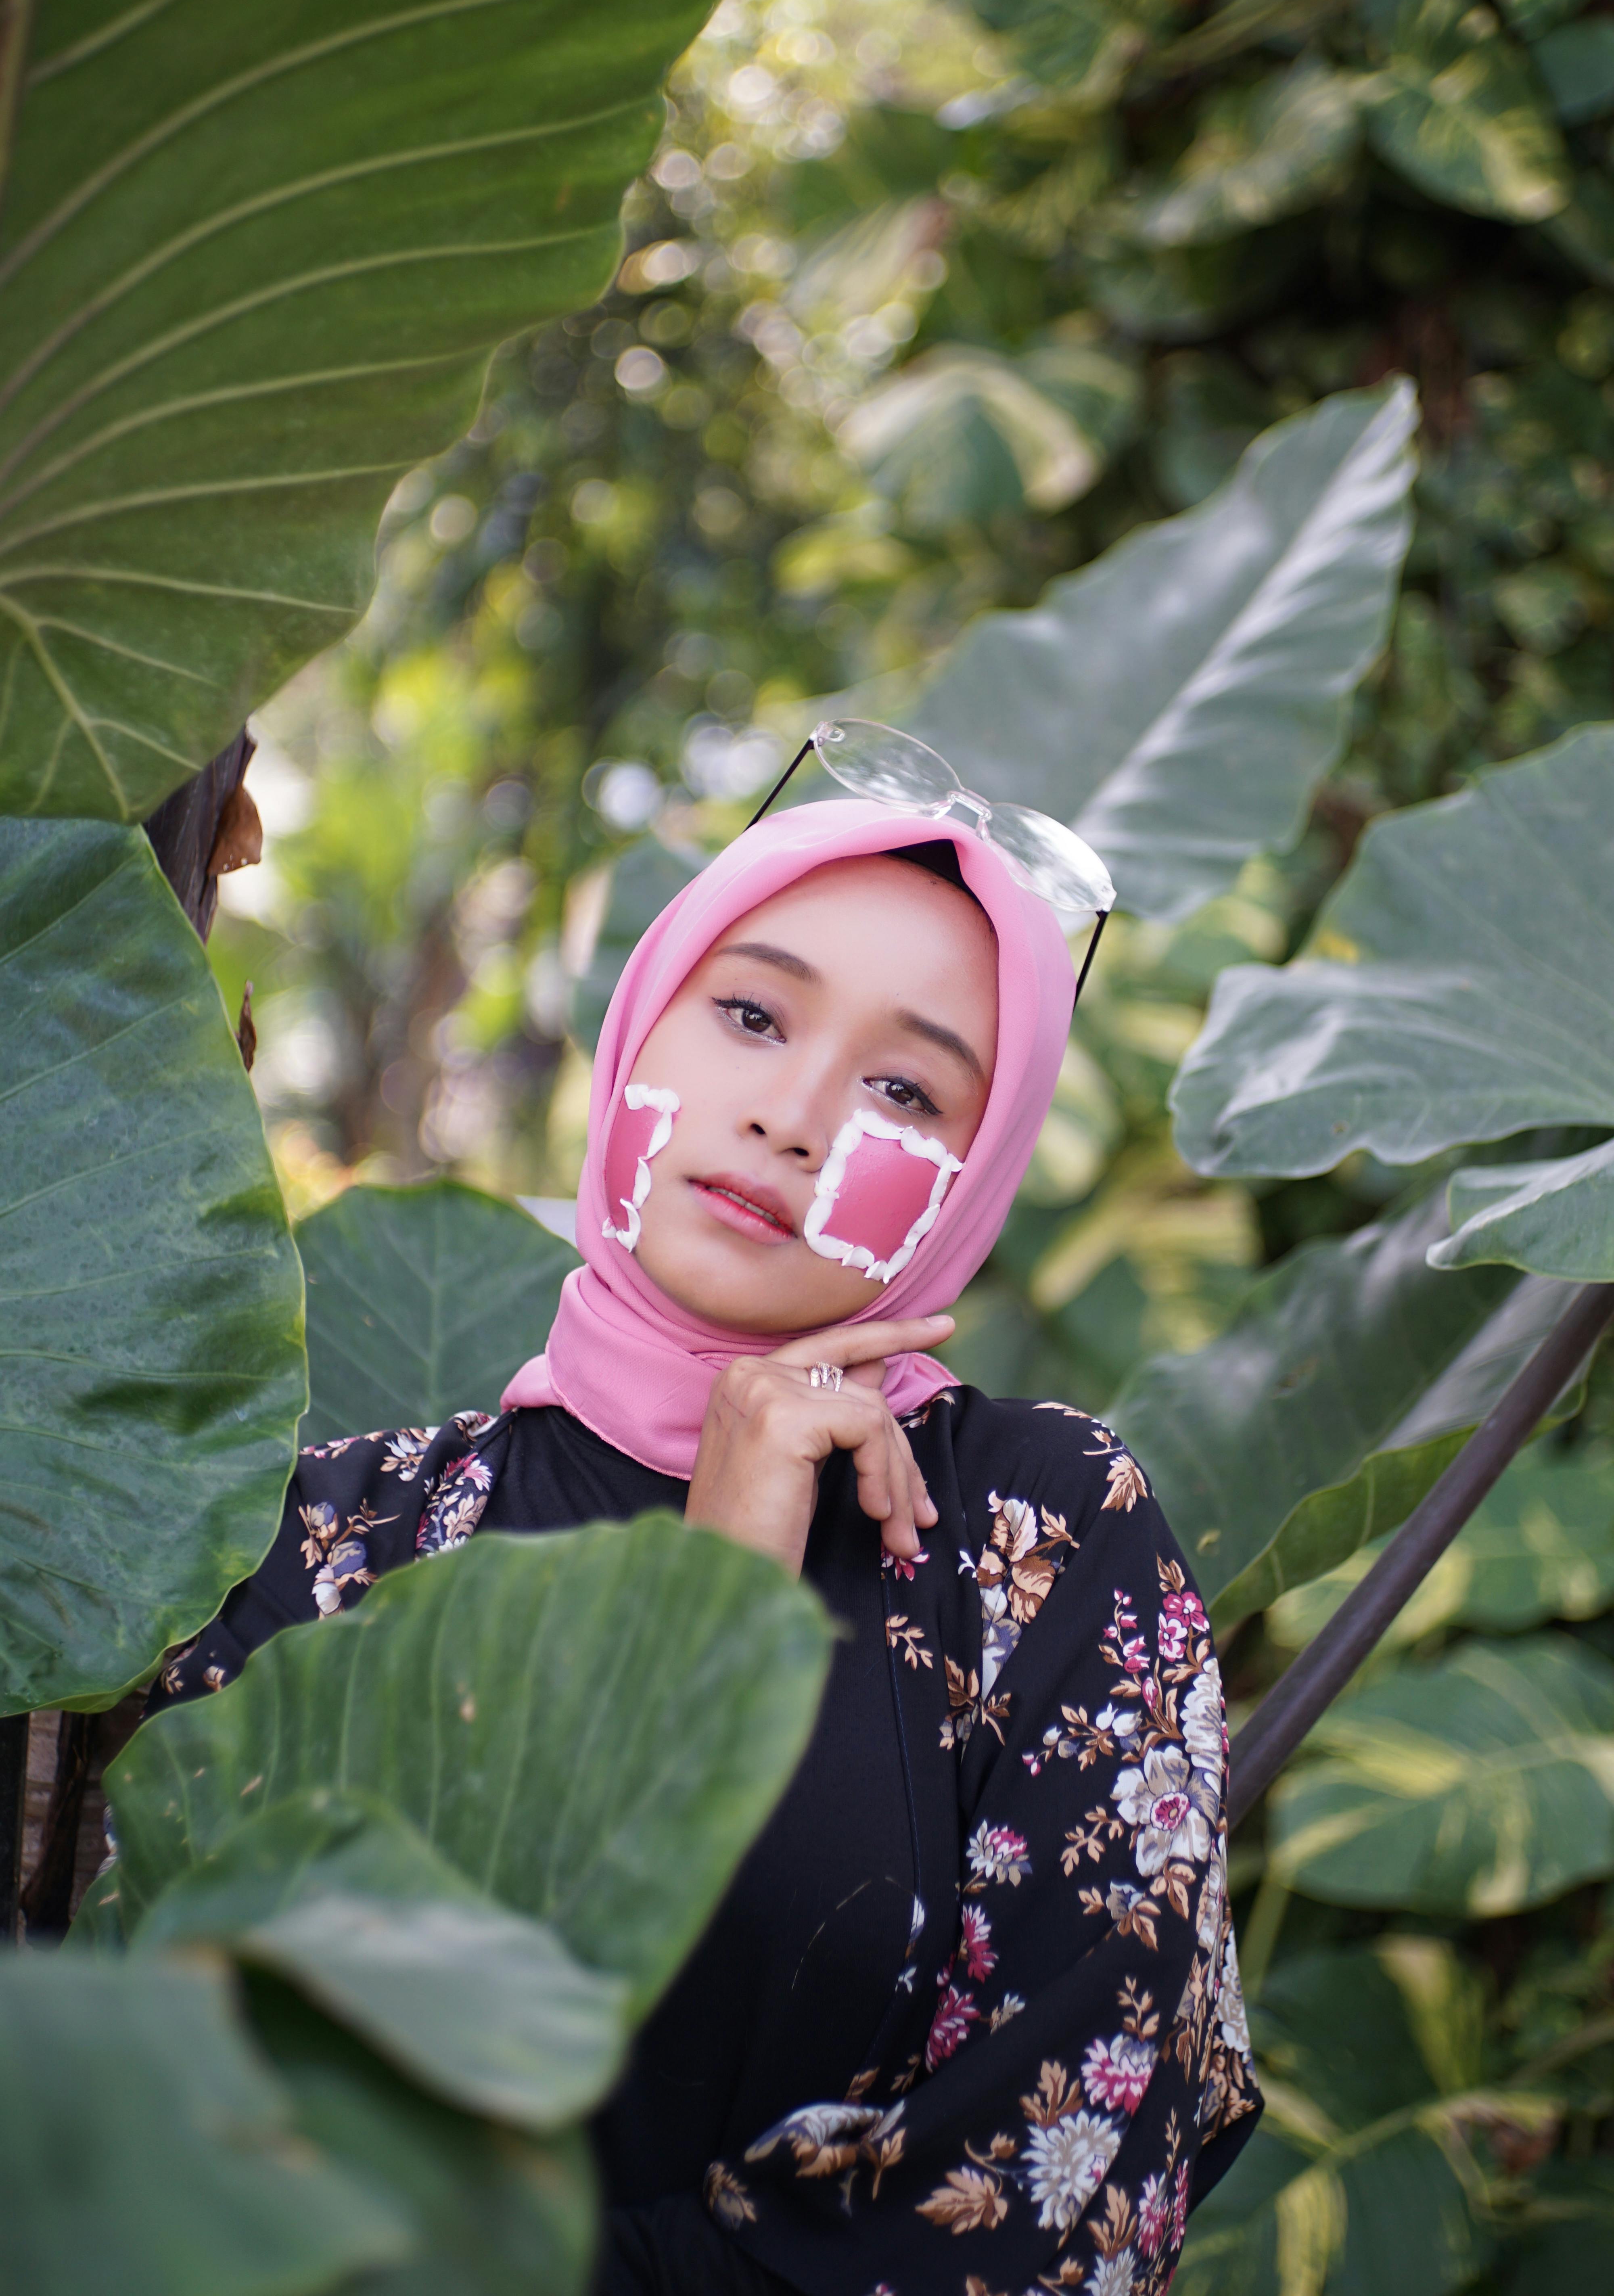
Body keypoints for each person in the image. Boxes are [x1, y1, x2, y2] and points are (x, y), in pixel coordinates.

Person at [153, 797, 1260, 2296]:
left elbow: (1068, 2195)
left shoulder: (1041, 1537)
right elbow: (202, 2153)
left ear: (979, 1169)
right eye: (749, 1013)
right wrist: (711, 1604)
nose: (794, 1114)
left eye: (906, 1093)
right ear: (641, 1023)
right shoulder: (332, 1543)